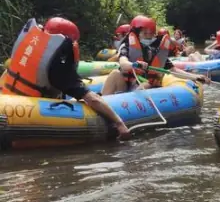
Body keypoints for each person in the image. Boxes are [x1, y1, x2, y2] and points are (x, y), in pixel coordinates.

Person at [2, 17, 130, 138]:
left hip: (7, 97)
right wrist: (119, 123)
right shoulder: (58, 66)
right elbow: (92, 99)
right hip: (25, 113)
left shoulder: (30, 51)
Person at [102, 15, 207, 95]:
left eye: (150, 33)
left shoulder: (156, 51)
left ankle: (129, 105)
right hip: (127, 85)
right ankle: (104, 102)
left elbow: (173, 70)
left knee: (147, 84)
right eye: (145, 33)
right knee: (115, 73)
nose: (148, 36)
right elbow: (123, 63)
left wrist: (195, 77)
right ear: (136, 33)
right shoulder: (127, 46)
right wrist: (134, 64)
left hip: (147, 86)